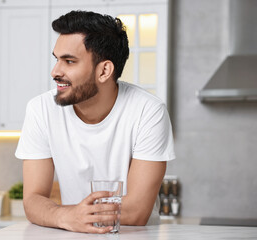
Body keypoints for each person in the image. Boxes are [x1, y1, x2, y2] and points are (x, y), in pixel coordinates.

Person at [15, 10, 175, 234]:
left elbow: (137, 212)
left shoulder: (148, 111)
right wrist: (67, 216)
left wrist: (67, 215)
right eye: (57, 59)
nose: (55, 71)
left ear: (104, 71)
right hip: (72, 233)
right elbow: (32, 201)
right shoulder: (40, 110)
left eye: (69, 61)